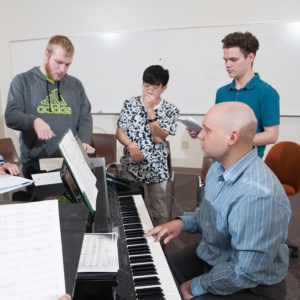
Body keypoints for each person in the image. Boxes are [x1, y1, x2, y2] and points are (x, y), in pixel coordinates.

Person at [145, 102, 291, 299]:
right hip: (217, 255)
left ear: (232, 137)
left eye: (207, 130)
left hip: (252, 284)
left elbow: (245, 272)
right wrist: (181, 223)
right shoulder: (218, 167)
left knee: (180, 291)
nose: (200, 135)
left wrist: (194, 286)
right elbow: (209, 214)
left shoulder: (258, 196)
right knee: (155, 272)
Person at [5, 35, 94, 178]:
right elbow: (11, 116)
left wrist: (84, 141)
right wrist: (34, 121)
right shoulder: (22, 81)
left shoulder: (75, 85)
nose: (62, 69)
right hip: (34, 164)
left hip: (69, 164)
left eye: (67, 64)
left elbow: (85, 118)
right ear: (46, 55)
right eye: (58, 62)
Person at [188, 32, 279, 158]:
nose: (227, 65)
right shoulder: (222, 92)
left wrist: (235, 140)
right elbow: (219, 128)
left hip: (247, 164)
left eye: (233, 60)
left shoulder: (266, 92)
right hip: (220, 161)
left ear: (250, 57)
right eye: (225, 60)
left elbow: (271, 135)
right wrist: (202, 132)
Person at [116, 65, 179, 225]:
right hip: (131, 165)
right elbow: (119, 132)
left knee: (157, 210)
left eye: (154, 88)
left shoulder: (171, 110)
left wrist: (151, 110)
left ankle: (161, 242)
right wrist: (131, 145)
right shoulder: (130, 103)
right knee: (130, 207)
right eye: (146, 86)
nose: (149, 91)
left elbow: (158, 138)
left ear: (163, 89)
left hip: (155, 168)